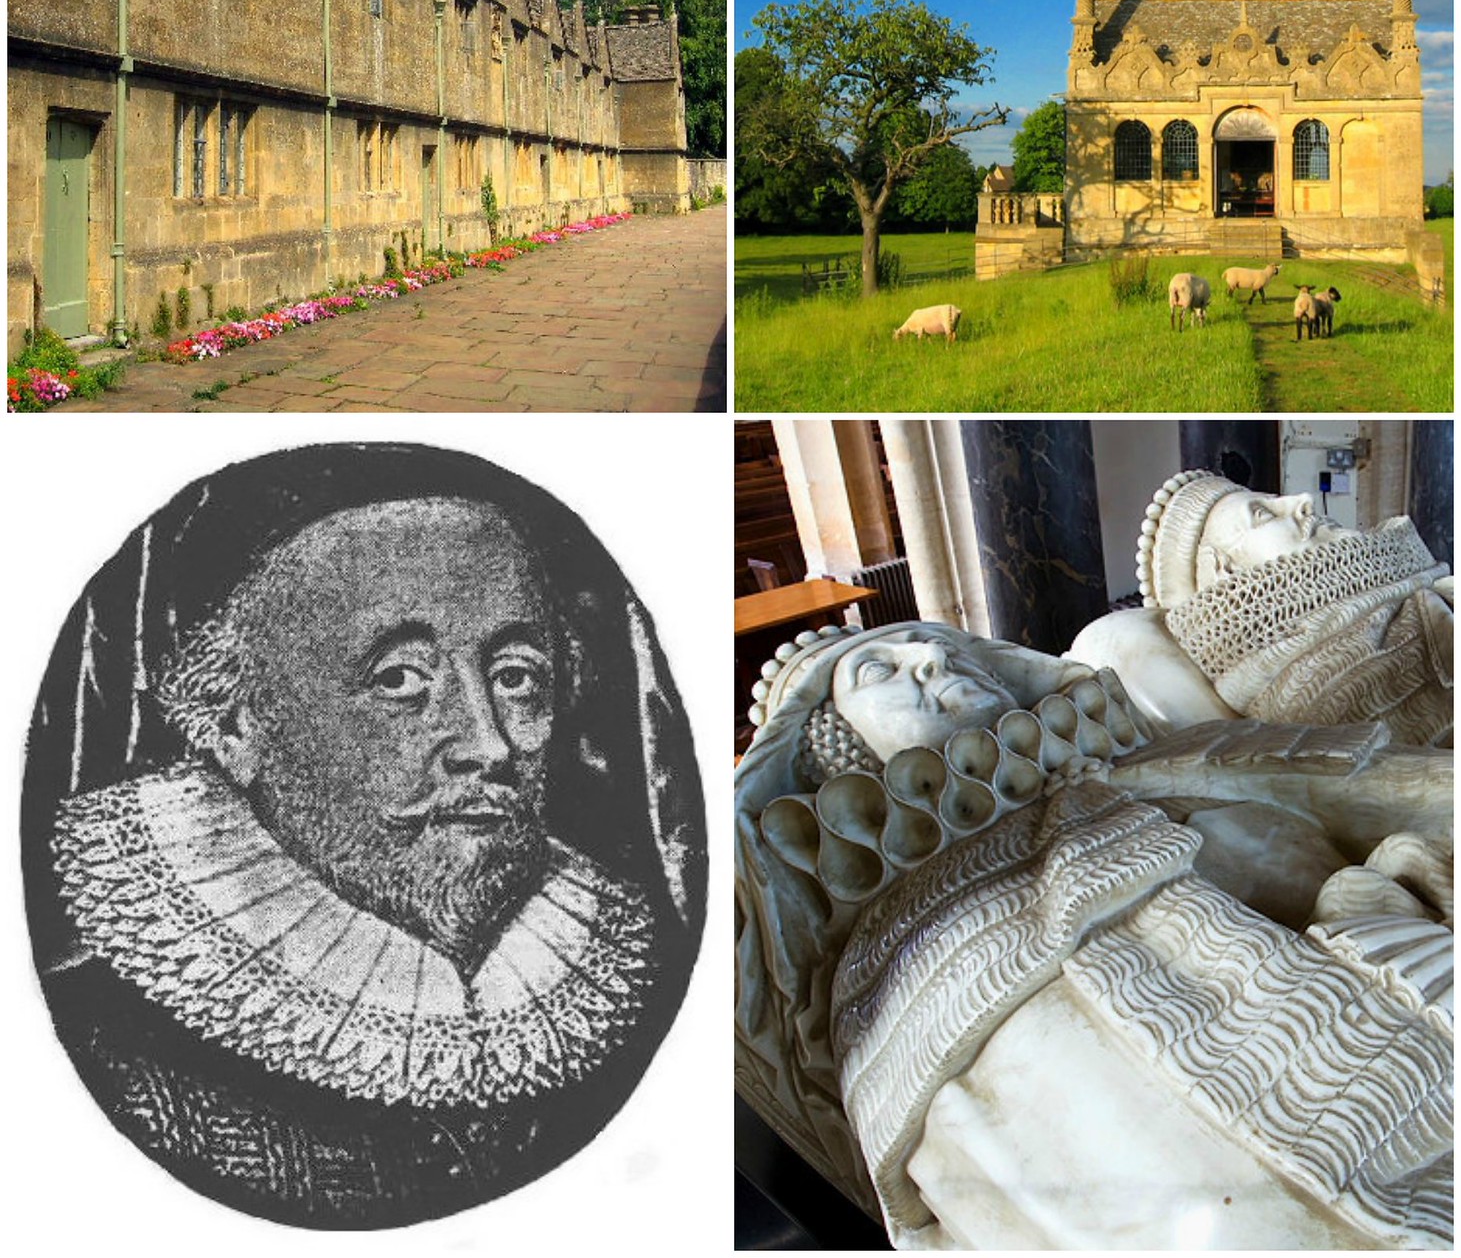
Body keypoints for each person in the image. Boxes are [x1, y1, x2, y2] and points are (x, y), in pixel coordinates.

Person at [28, 446, 703, 1230]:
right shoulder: (113, 1040)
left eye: (517, 676)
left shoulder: (632, 971)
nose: (486, 743)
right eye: (399, 681)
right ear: (234, 721)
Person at [735, 620, 1452, 1251]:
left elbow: (1398, 795)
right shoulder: (910, 950)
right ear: (839, 751)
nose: (926, 661)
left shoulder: (1165, 761)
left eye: (936, 648)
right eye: (877, 671)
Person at [1068, 468, 1452, 743]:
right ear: (1229, 579)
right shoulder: (1326, 679)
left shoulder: (1411, 593)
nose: (1301, 502)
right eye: (1263, 513)